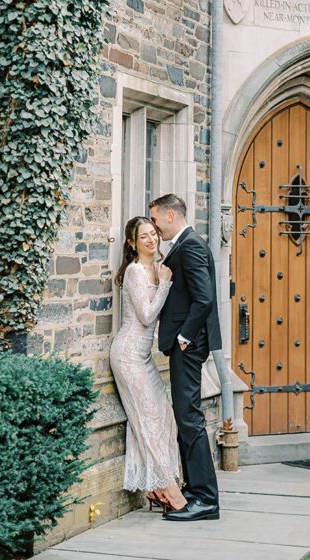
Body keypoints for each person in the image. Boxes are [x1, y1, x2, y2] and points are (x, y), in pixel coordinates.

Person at [149, 194, 221, 522]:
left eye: (156, 219)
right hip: (187, 345)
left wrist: (184, 337)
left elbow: (204, 299)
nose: (154, 226)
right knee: (185, 417)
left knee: (190, 419)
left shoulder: (190, 245)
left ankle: (206, 499)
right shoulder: (186, 243)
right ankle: (193, 490)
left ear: (171, 215)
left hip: (188, 347)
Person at [110, 216, 187, 513]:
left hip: (143, 356)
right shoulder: (135, 272)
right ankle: (168, 489)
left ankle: (155, 486)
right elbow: (146, 315)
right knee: (148, 420)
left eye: (153, 233)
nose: (151, 239)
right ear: (132, 243)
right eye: (144, 236)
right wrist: (165, 285)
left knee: (163, 416)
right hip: (128, 355)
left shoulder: (156, 268)